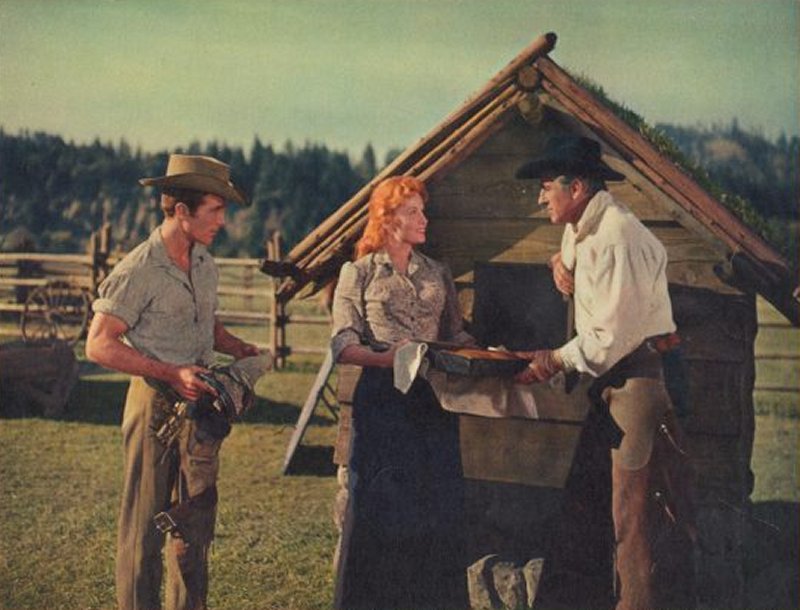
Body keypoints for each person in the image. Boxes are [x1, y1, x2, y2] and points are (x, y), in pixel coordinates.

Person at [514, 136, 694, 610]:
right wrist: (559, 261)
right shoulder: (582, 224)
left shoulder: (619, 236)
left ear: (576, 188)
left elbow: (610, 337)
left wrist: (551, 360)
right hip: (611, 381)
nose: (540, 197)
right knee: (599, 508)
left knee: (631, 517)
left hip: (639, 379)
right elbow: (573, 255)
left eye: (546, 187)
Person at [85, 154, 261, 610]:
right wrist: (170, 372)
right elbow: (98, 345)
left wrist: (236, 346)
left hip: (200, 406)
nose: (222, 221)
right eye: (214, 210)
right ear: (181, 210)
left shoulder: (204, 262)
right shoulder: (139, 269)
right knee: (144, 529)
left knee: (194, 524)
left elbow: (206, 323)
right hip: (154, 405)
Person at [330, 175, 473, 610]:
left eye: (422, 210)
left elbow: (455, 335)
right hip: (382, 401)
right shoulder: (359, 272)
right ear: (387, 218)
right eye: (413, 212)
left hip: (432, 401)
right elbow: (342, 344)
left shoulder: (437, 272)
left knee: (435, 509)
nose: (424, 219)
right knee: (381, 510)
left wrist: (489, 354)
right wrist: (387, 358)